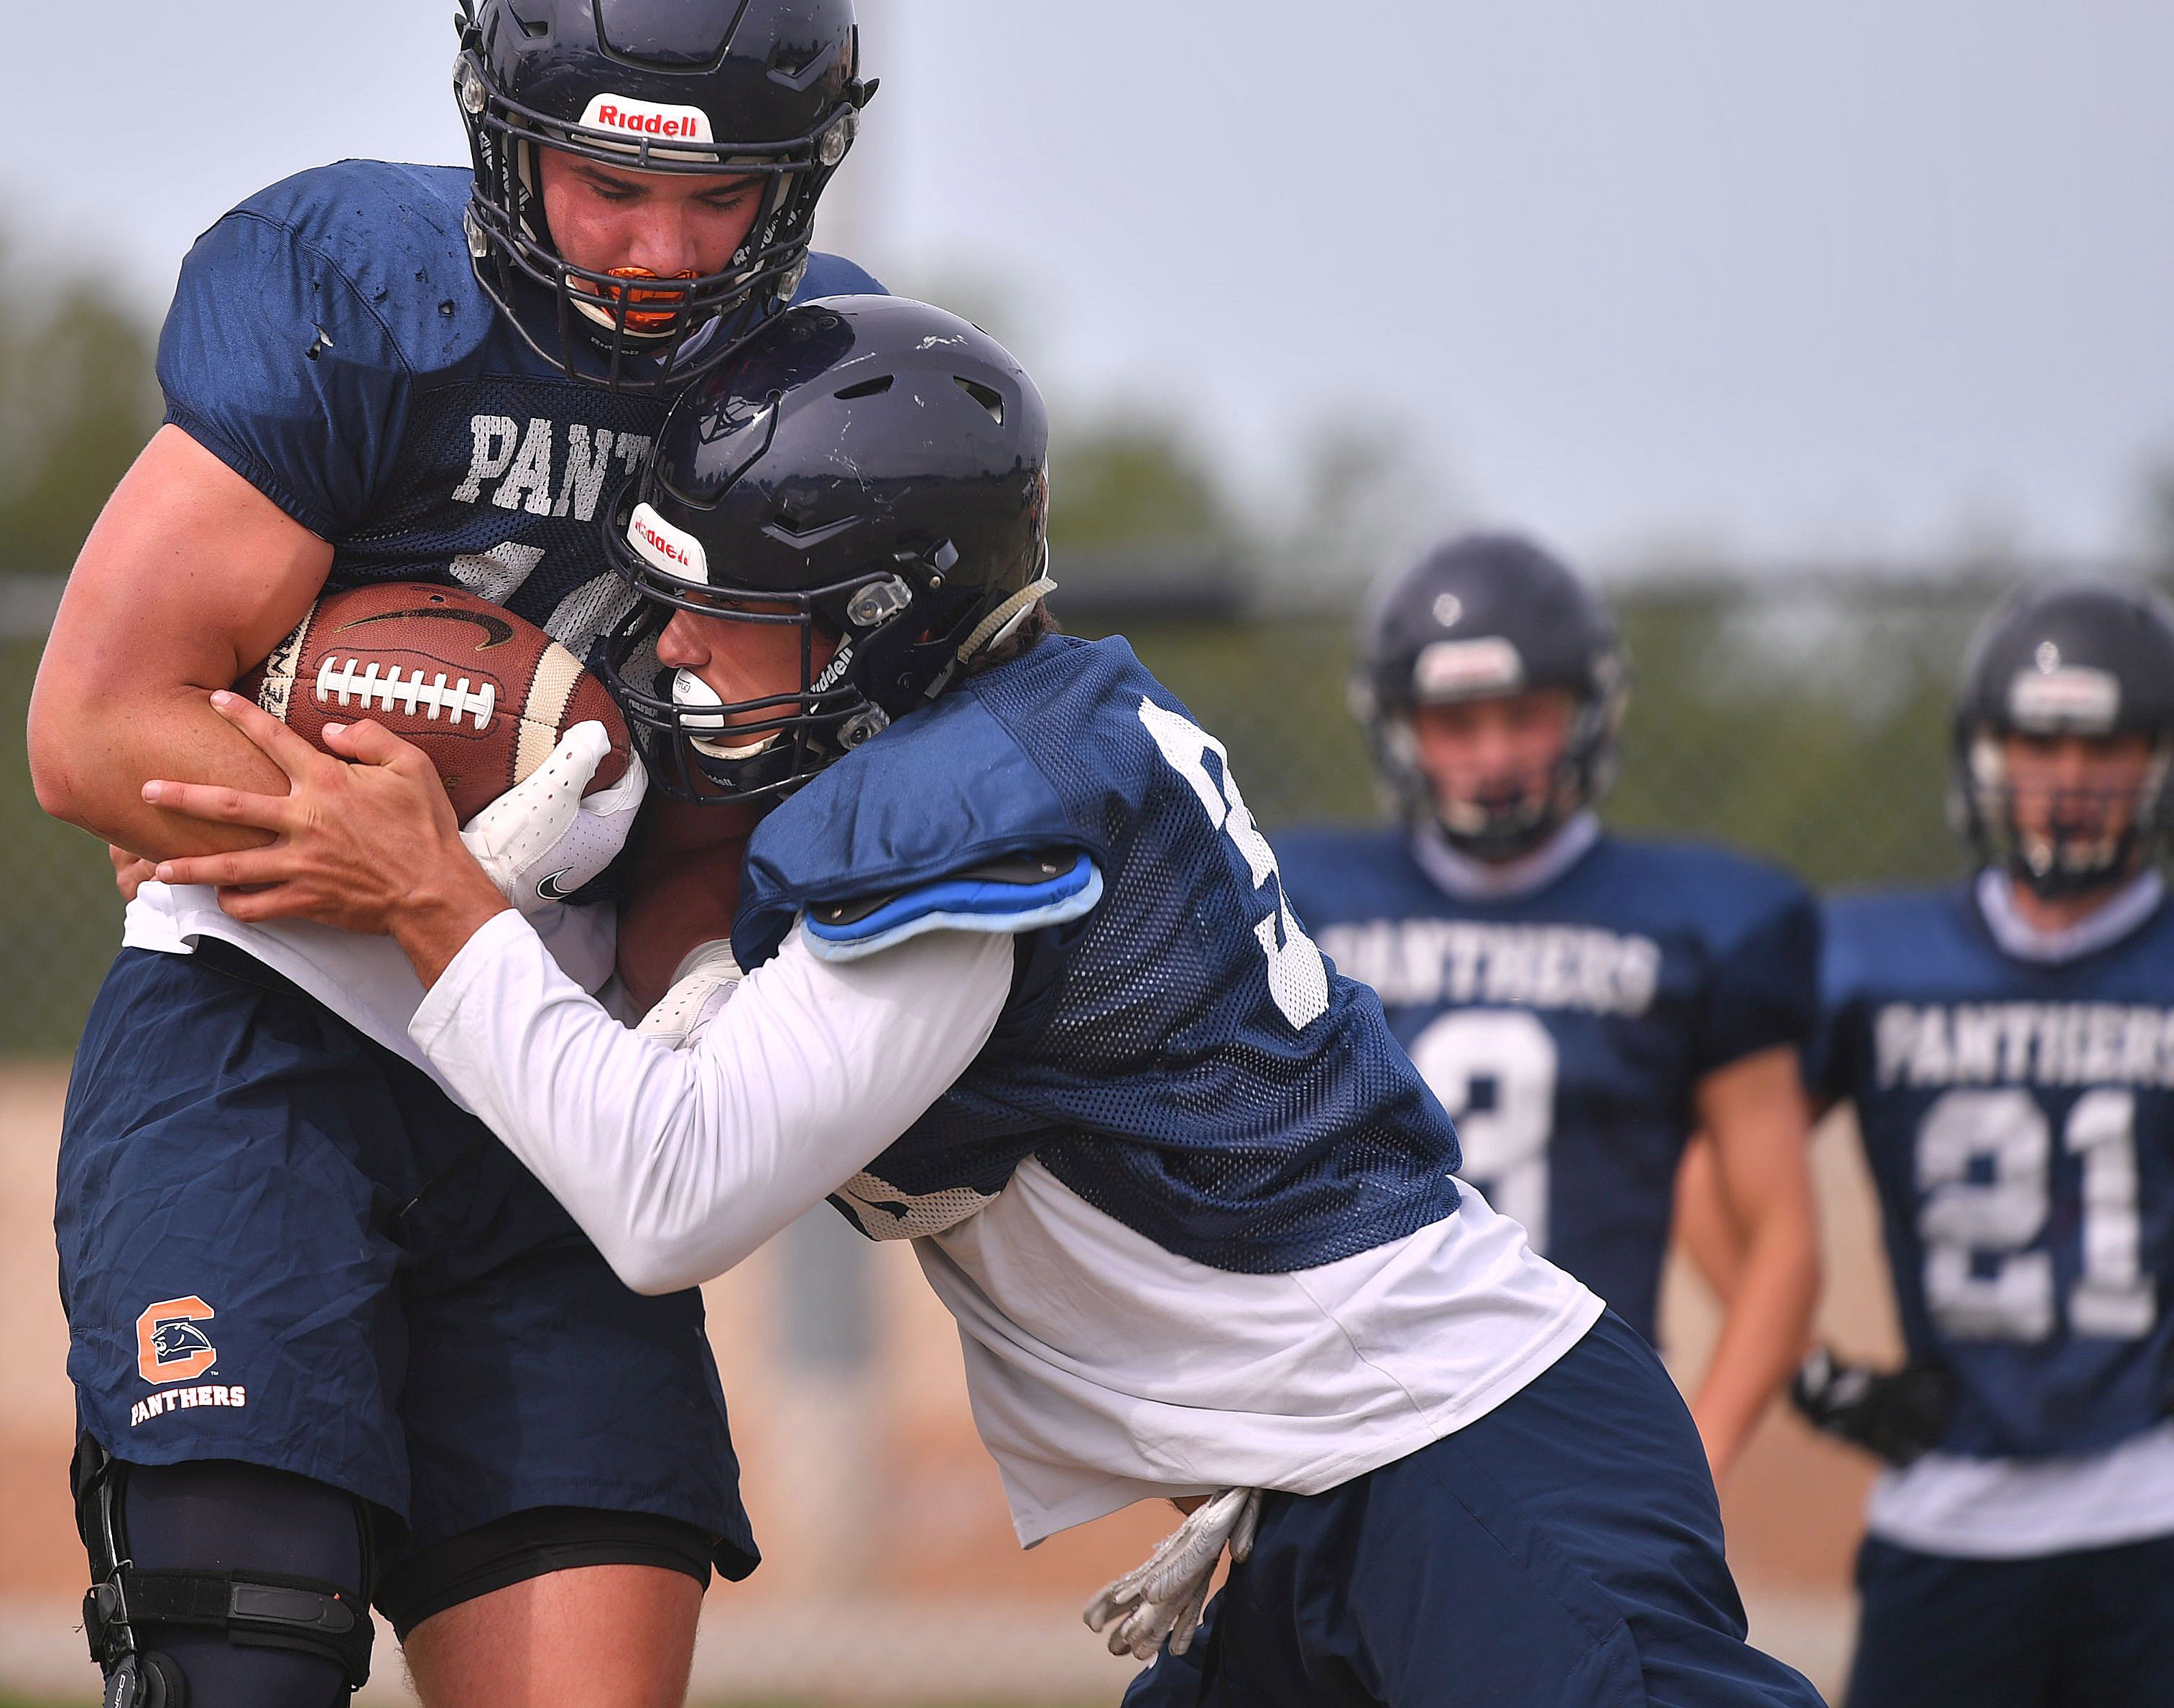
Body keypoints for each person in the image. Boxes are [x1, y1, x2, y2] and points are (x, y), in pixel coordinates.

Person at [142, 295, 1825, 1708]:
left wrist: (433, 903)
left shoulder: (969, 810)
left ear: (885, 623)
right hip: (1328, 1490)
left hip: (1469, 1466)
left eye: (734, 614)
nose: (676, 656)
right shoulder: (1016, 730)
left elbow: (672, 1196)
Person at [29, 0, 882, 1707]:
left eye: (713, 196)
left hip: (548, 1108)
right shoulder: (360, 289)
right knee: (236, 1663)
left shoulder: (817, 390)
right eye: (607, 184)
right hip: (263, 1043)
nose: (656, 252)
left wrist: (691, 979)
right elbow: (88, 730)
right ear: (511, 143)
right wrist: (373, 840)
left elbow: (728, 806)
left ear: (797, 182)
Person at [1272, 534, 1821, 1481]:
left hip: (1584, 1414)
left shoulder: (1706, 922)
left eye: (1524, 716)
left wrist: (1698, 1457)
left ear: (1589, 713)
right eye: (1456, 721)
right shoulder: (1298, 901)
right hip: (1352, 1412)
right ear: (1397, 726)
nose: (1492, 754)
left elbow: (1782, 1234)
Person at [1781, 577, 2174, 1708]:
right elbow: (1731, 1165)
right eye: (2038, 741)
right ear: (1985, 755)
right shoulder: (1870, 955)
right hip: (1950, 1501)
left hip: (2150, 1492)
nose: (2069, 778)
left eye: (2105, 746)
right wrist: (1817, 1376)